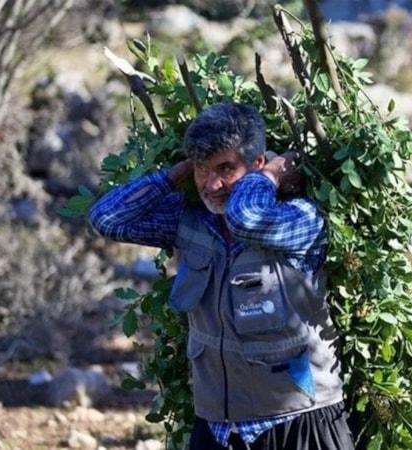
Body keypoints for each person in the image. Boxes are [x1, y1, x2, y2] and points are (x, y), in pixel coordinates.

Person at [88, 102, 355, 450]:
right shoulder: (191, 222)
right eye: (203, 169)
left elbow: (246, 220)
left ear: (257, 163)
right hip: (218, 429)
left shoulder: (300, 217)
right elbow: (107, 218)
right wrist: (178, 173)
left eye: (226, 168)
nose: (212, 184)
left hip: (299, 422)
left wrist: (270, 176)